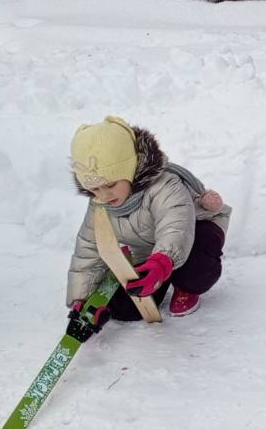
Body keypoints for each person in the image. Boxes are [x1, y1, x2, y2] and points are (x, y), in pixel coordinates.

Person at [67, 117, 231, 324]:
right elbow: (88, 249)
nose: (104, 194)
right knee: (126, 310)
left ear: (128, 169)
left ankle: (185, 286)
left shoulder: (164, 186)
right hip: (149, 249)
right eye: (95, 189)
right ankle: (155, 278)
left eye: (110, 184)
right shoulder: (100, 202)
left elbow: (175, 227)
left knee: (196, 269)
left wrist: (162, 263)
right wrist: (81, 298)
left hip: (191, 235)